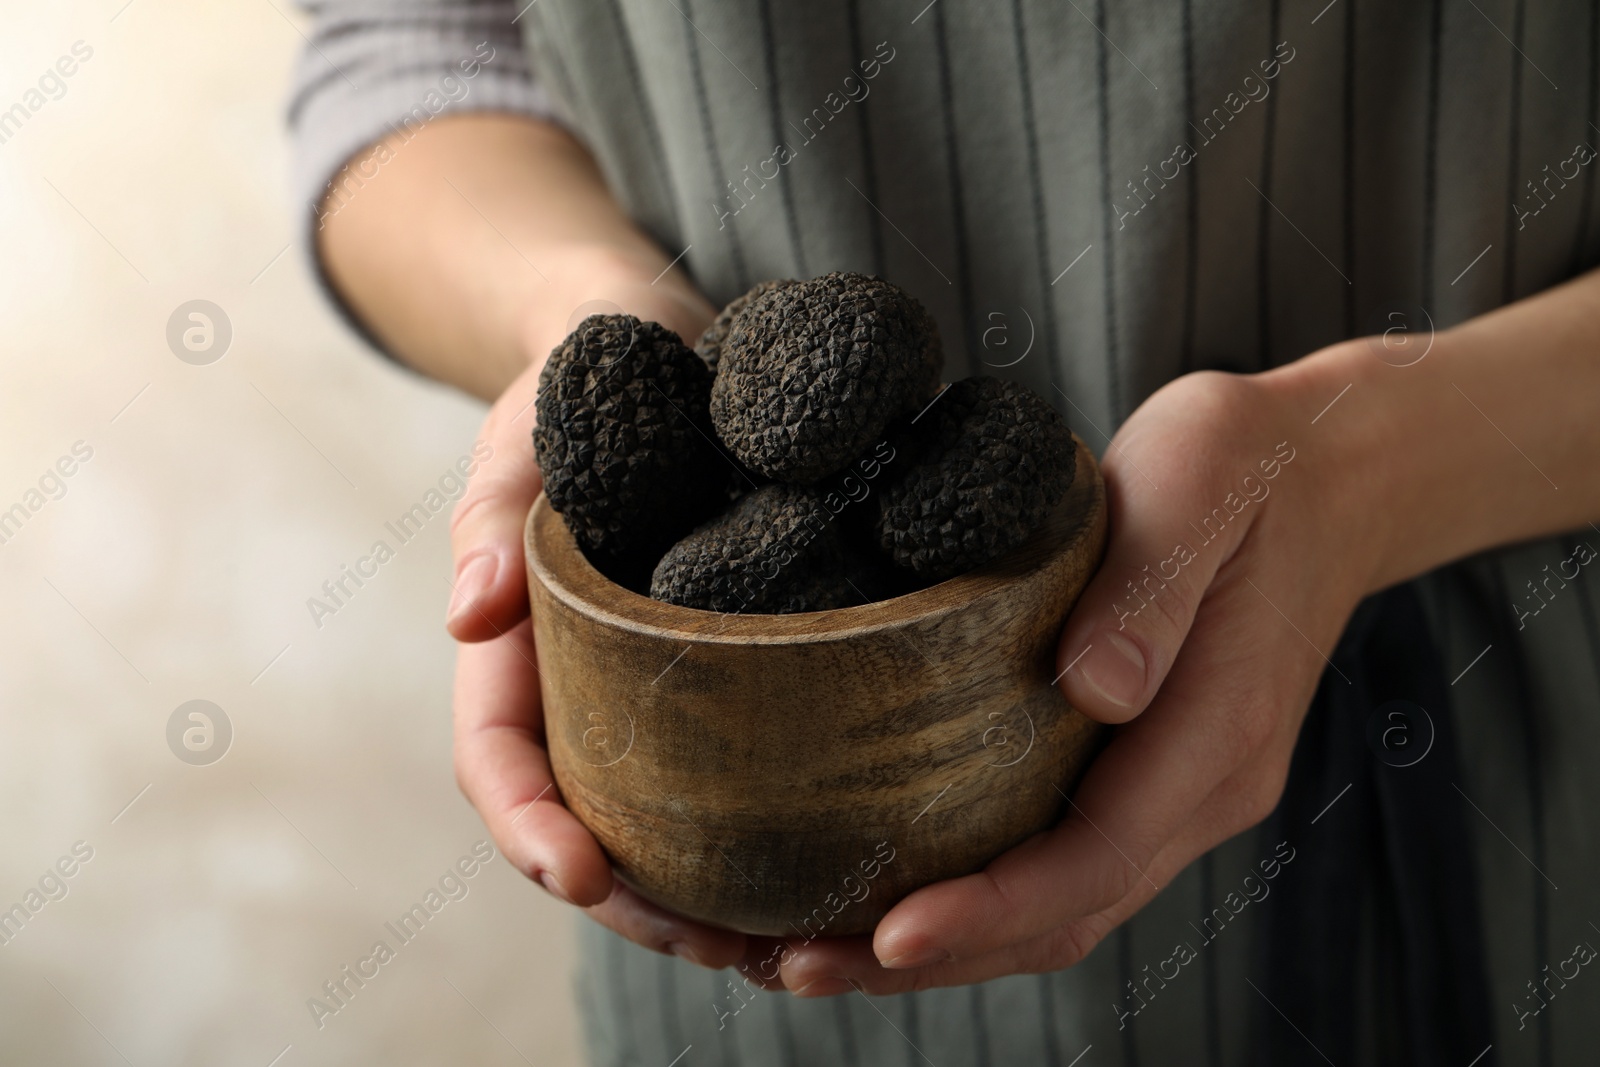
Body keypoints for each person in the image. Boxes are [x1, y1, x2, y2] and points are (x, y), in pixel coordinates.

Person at [291, 2, 1600, 1063]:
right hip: (761, 902)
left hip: (1502, 798)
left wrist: (1372, 467)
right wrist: (584, 308)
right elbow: (405, 49)